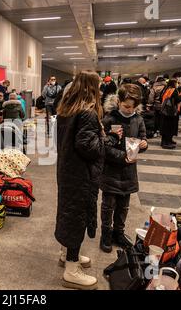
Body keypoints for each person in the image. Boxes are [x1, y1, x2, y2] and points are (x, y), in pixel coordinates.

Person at [55, 71, 105, 290]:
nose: (101, 90)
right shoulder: (87, 113)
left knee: (68, 212)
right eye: (99, 86)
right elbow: (87, 147)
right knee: (76, 217)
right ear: (91, 87)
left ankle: (67, 254)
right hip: (80, 174)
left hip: (67, 170)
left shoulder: (66, 109)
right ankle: (71, 271)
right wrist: (104, 138)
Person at [99, 84, 148, 252]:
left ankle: (118, 233)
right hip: (111, 171)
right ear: (119, 101)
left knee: (123, 206)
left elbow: (143, 138)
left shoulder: (138, 119)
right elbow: (103, 146)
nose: (129, 110)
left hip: (129, 172)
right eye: (126, 106)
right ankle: (106, 233)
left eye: (133, 107)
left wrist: (144, 144)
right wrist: (121, 157)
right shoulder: (109, 119)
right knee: (108, 205)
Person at [160, 79, 181, 149]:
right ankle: (167, 142)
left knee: (165, 126)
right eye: (177, 83)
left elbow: (161, 98)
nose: (177, 84)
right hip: (171, 111)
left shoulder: (166, 89)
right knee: (169, 127)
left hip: (164, 110)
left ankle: (165, 141)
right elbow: (177, 99)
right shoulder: (173, 90)